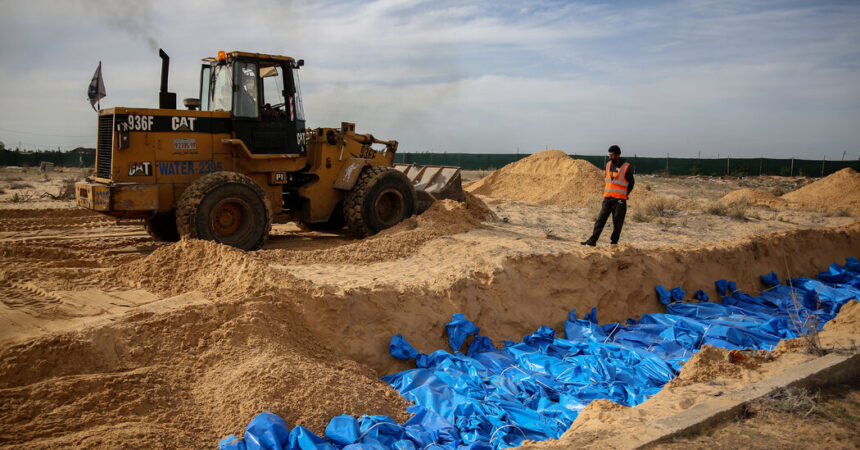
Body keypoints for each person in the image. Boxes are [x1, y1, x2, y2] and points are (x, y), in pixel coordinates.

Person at [581, 145, 635, 246]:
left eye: (613, 155)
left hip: (619, 200)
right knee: (600, 220)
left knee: (617, 223)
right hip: (607, 198)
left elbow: (631, 183)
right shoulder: (608, 164)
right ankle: (592, 241)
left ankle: (614, 243)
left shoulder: (626, 166)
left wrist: (625, 194)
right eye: (610, 155)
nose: (611, 157)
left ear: (618, 155)